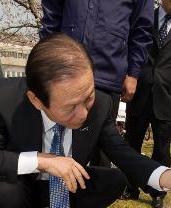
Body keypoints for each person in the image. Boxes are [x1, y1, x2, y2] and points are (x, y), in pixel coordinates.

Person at [0, 33, 171, 208]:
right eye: (70, 107)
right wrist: (43, 161)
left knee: (114, 179)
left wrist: (167, 177)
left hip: (68, 184)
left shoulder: (101, 103)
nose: (83, 114)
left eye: (87, 98)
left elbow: (121, 151)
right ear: (36, 100)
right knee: (2, 191)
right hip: (22, 184)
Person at [40, 0, 154, 168]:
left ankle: (98, 192)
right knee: (57, 139)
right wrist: (46, 60)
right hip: (64, 69)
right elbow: (51, 16)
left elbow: (142, 29)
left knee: (102, 146)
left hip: (108, 73)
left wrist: (133, 73)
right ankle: (57, 190)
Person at [121, 0, 171, 208]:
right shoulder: (144, 17)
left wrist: (168, 84)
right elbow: (132, 48)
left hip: (166, 97)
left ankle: (158, 192)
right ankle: (131, 187)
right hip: (139, 94)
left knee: (162, 148)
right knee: (132, 144)